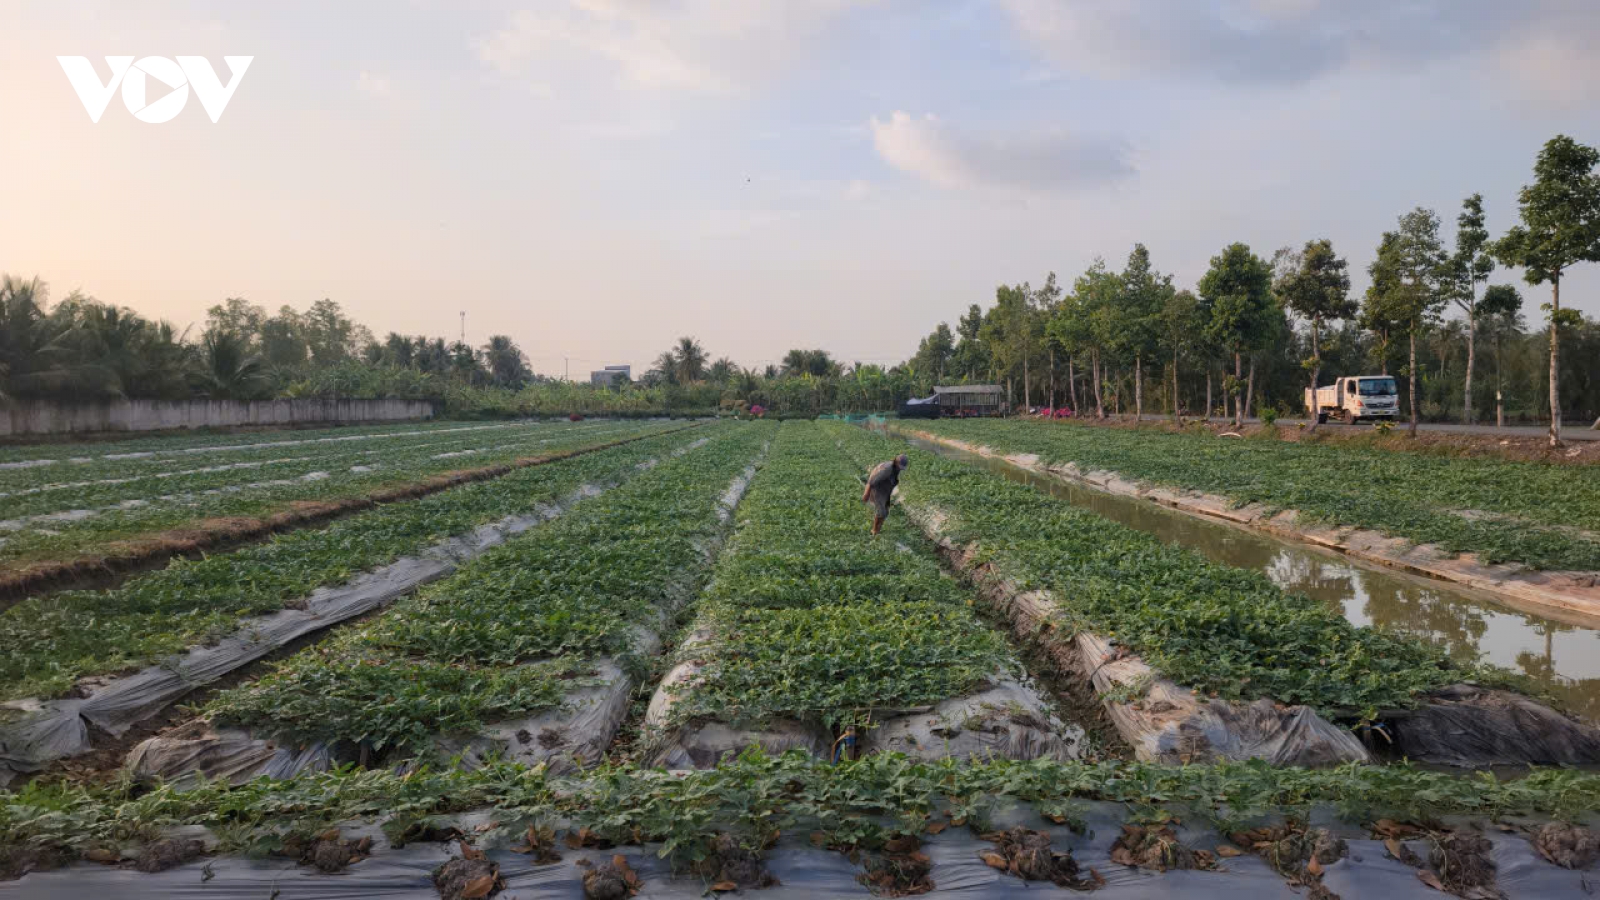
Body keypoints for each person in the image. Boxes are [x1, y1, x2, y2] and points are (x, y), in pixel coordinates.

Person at [862, 453, 909, 535]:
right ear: (896, 462)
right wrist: (866, 494)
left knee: (886, 512)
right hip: (877, 489)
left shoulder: (895, 469)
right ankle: (874, 531)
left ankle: (878, 528)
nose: (900, 469)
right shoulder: (888, 469)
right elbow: (871, 482)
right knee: (881, 512)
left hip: (884, 490)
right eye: (900, 467)